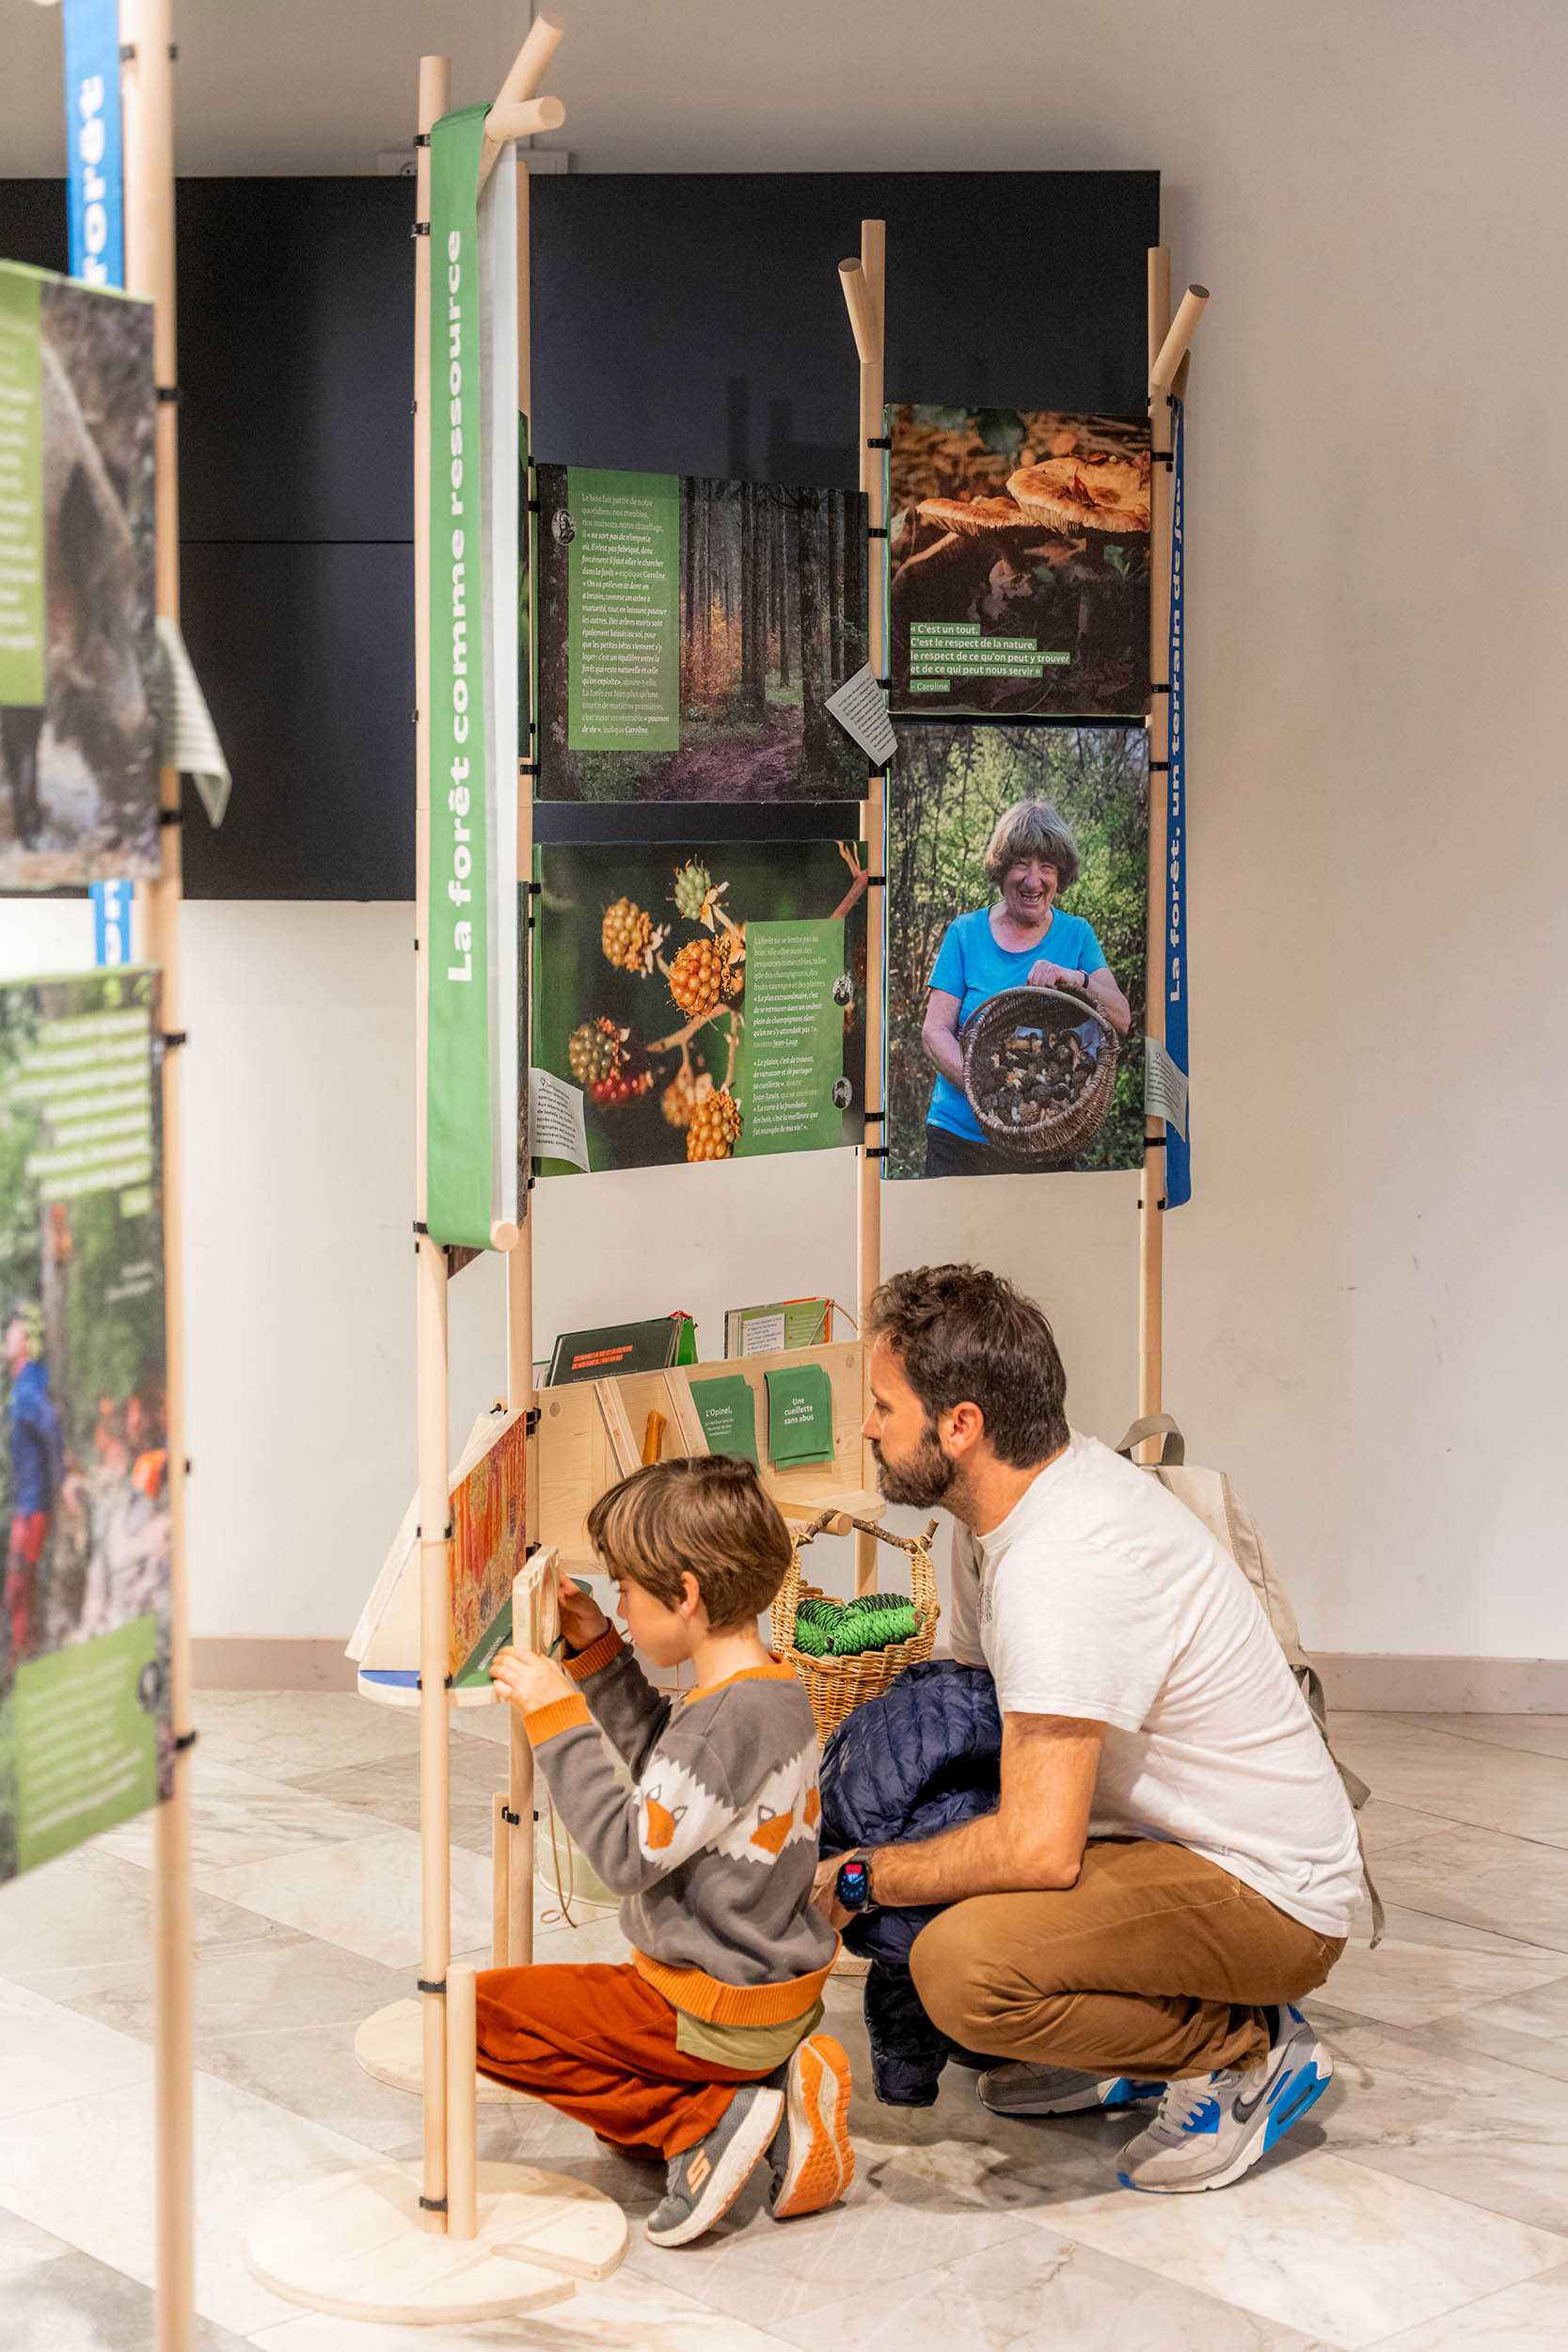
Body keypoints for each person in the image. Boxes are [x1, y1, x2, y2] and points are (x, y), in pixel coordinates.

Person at [815, 1263, 1363, 2196]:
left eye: (882, 1406)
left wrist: (863, 1876)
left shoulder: (1062, 1565)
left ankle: (1239, 2050)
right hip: (1154, 1843)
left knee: (963, 1970)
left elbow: (1036, 1847)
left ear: (960, 1425)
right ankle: (1128, 2043)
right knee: (925, 1869)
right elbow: (973, 1721)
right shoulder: (995, 1517)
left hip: (1266, 1893)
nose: (868, 1427)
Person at [478, 1454, 853, 2247]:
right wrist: (600, 1649)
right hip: (767, 1993)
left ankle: (710, 2114)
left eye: (624, 1589)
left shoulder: (720, 1722)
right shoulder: (767, 1688)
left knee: (472, 2017)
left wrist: (555, 1717)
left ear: (683, 1594)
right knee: (616, 2129)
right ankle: (761, 2106)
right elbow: (674, 1778)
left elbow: (626, 1853)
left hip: (705, 2005)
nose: (617, 1601)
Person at [920, 798, 1131, 1179]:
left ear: (1060, 876)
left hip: (1045, 1145)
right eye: (1021, 864)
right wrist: (987, 1091)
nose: (1033, 881)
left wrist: (1077, 978)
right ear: (1002, 870)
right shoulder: (965, 934)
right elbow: (934, 1031)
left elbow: (1121, 1018)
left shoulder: (1077, 935)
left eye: (1046, 866)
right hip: (960, 1143)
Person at [4, 1303, 66, 1673]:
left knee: (19, 1587)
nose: (6, 1335)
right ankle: (19, 1659)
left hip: (33, 1509)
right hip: (26, 1506)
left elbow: (51, 1429)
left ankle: (20, 1662)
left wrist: (60, 1483)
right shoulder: (22, 1386)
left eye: (13, 1329)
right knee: (19, 1589)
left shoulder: (28, 1388)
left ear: (27, 1339)